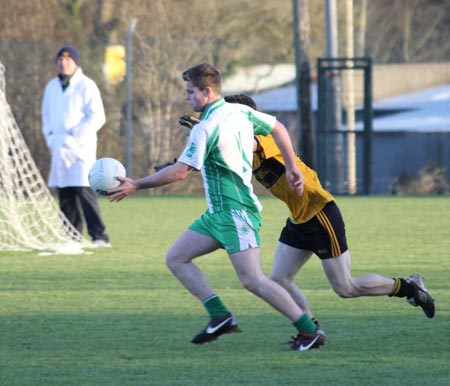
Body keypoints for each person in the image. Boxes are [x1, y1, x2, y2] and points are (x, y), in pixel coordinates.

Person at [176, 94, 436, 336]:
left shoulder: (262, 138)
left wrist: (207, 126)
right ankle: (310, 331)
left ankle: (411, 287)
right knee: (278, 279)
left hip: (320, 212)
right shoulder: (240, 148)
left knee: (345, 288)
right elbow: (221, 163)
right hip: (299, 218)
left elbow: (246, 142)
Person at [108, 62, 324, 351]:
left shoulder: (205, 128)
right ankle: (220, 316)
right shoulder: (240, 111)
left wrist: (136, 184)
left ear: (206, 91)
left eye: (189, 91)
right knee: (176, 258)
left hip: (236, 212)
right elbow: (279, 127)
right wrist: (292, 167)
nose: (186, 97)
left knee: (253, 281)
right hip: (218, 214)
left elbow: (180, 172)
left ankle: (308, 331)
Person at [41, 45, 111, 248]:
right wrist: (50, 137)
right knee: (65, 191)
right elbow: (45, 115)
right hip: (59, 147)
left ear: (75, 63)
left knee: (83, 189)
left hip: (80, 148)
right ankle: (71, 235)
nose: (63, 63)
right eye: (60, 60)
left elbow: (98, 116)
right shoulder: (52, 86)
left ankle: (99, 236)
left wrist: (76, 134)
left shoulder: (86, 85)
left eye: (68, 60)